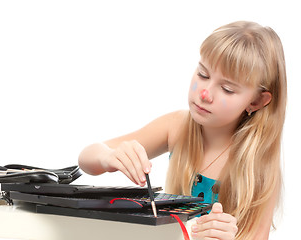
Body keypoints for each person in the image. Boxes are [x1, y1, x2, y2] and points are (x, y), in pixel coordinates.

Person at [78, 21, 287, 240]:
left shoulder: (259, 164)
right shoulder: (177, 127)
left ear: (256, 101)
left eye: (227, 89)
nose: (205, 94)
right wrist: (108, 157)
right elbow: (86, 158)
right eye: (203, 74)